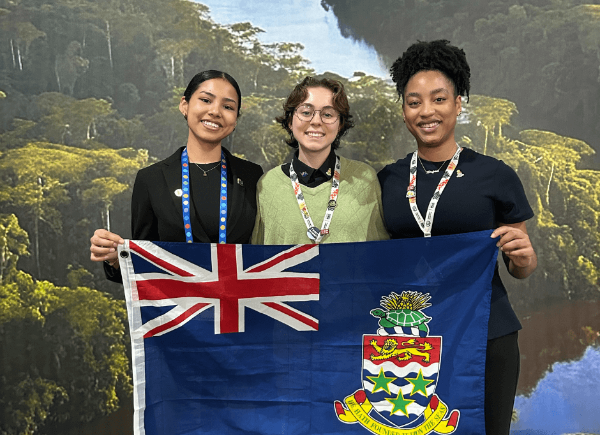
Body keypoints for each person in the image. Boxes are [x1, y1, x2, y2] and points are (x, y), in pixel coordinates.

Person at [377, 40, 537, 434]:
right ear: (403, 110)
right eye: (414, 102)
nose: (426, 111)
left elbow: (521, 269)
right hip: (410, 338)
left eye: (439, 99)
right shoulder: (387, 181)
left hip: (486, 334)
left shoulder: (495, 175)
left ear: (458, 103)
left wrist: (523, 258)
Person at [90, 70, 263, 282]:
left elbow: (263, 255)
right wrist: (116, 259)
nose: (215, 111)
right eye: (206, 100)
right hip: (179, 312)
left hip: (239, 309)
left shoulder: (252, 176)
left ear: (235, 119)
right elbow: (145, 263)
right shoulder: (151, 179)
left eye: (228, 107)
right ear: (184, 105)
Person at [251, 76, 388, 244]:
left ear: (340, 125)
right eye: (306, 112)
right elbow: (258, 260)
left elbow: (380, 256)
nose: (316, 121)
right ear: (290, 122)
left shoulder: (365, 179)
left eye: (328, 114)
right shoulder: (268, 185)